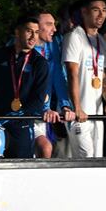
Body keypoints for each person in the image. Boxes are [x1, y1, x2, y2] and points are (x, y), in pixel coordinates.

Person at [0, 17, 57, 158]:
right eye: (29, 31)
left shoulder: (40, 63)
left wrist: (15, 117)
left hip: (22, 125)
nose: (33, 37)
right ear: (17, 32)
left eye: (36, 32)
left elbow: (38, 100)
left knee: (20, 169)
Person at [62, 0, 106, 158]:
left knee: (97, 159)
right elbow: (72, 73)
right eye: (96, 10)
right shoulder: (74, 37)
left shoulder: (101, 41)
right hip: (79, 111)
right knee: (85, 157)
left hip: (97, 112)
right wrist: (77, 107)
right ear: (84, 12)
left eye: (104, 10)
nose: (101, 15)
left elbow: (103, 75)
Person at [33, 10, 74, 158]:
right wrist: (44, 108)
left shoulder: (52, 46)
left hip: (45, 113)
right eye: (49, 24)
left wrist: (65, 105)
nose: (54, 29)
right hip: (27, 112)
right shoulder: (22, 48)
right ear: (35, 27)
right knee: (44, 148)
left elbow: (58, 76)